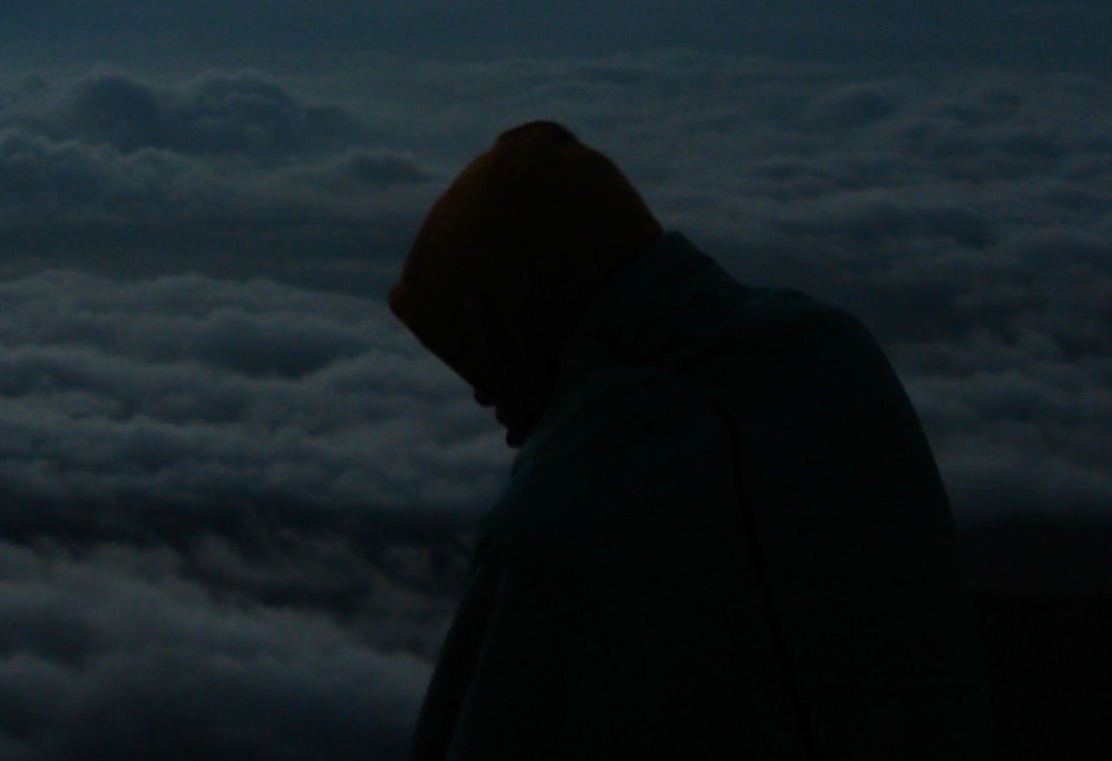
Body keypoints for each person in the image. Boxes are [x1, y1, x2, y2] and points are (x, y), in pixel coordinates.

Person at [389, 120, 991, 760]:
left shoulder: (568, 521)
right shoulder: (833, 354)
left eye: (483, 348)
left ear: (523, 312)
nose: (482, 393)